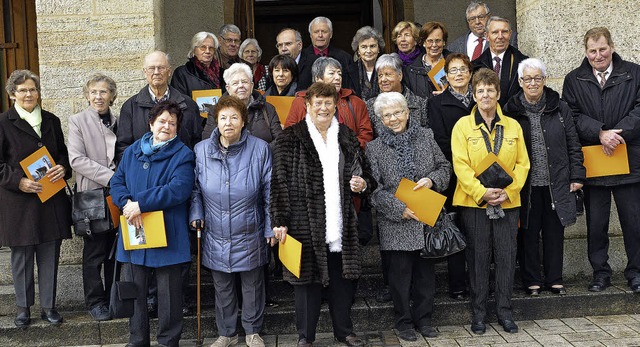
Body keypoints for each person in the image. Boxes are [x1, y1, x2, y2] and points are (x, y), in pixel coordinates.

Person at [270, 82, 375, 347]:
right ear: (307, 106)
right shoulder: (289, 137)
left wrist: (362, 184)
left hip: (341, 223)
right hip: (303, 223)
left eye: (329, 103)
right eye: (318, 102)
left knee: (342, 282)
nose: (323, 108)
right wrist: (279, 220)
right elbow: (279, 182)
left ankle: (344, 331)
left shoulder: (347, 136)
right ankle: (306, 337)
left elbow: (365, 174)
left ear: (336, 106)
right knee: (306, 284)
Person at [365, 92, 450, 341]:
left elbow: (445, 167)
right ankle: (403, 323)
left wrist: (432, 180)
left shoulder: (426, 136)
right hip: (396, 220)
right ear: (380, 119)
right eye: (387, 115)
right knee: (400, 277)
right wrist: (397, 209)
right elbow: (374, 188)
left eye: (397, 112)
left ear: (408, 112)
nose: (393, 119)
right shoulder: (374, 148)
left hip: (425, 215)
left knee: (425, 274)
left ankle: (424, 319)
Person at [190, 95, 274, 347]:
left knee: (252, 284)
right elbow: (194, 189)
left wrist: (270, 225)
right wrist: (196, 213)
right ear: (216, 120)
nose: (228, 123)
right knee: (222, 286)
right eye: (223, 117)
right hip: (215, 228)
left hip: (250, 226)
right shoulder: (201, 150)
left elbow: (270, 191)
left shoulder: (260, 149)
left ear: (243, 121)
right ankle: (227, 333)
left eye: (234, 117)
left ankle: (252, 331)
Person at [450, 68, 529, 335]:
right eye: (480, 90)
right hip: (475, 204)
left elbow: (523, 164)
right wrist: (481, 192)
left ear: (498, 94)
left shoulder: (513, 126)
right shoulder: (462, 126)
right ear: (474, 95)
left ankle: (505, 312)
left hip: (507, 201)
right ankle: (479, 314)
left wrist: (510, 191)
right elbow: (460, 165)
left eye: (490, 90)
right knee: (478, 258)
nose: (485, 95)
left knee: (507, 257)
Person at [110, 100, 195, 347]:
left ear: (177, 128)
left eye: (172, 123)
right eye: (162, 121)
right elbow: (117, 182)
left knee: (169, 296)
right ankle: (137, 340)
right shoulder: (133, 150)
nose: (166, 126)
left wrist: (141, 204)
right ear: (151, 123)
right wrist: (126, 204)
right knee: (135, 291)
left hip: (168, 232)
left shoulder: (183, 154)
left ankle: (168, 341)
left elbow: (178, 189)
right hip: (134, 230)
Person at [562, 27, 640, 294]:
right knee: (596, 224)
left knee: (634, 222)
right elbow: (570, 114)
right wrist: (599, 132)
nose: (598, 55)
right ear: (586, 52)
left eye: (603, 49)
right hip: (595, 164)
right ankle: (600, 273)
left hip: (629, 161)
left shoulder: (635, 73)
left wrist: (617, 134)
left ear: (612, 47)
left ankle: (636, 273)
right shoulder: (574, 80)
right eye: (593, 51)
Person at [503, 58, 586, 296]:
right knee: (528, 233)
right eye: (527, 78)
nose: (532, 83)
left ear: (545, 80)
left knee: (554, 231)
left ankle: (555, 279)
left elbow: (573, 143)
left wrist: (577, 175)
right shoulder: (511, 111)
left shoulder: (560, 107)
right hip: (525, 183)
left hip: (556, 181)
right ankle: (532, 281)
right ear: (520, 81)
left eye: (537, 78)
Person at [0, 69, 72, 327]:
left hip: (50, 199)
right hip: (19, 203)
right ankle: (23, 308)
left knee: (49, 253)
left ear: (38, 93)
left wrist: (63, 168)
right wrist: (18, 181)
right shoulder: (3, 123)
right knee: (21, 257)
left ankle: (49, 307)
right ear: (12, 95)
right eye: (22, 90)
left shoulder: (52, 120)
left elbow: (63, 155)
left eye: (32, 89)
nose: (28, 94)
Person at [67, 73, 119, 322]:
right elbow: (76, 160)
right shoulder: (77, 121)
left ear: (112, 95)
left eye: (104, 92)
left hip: (117, 196)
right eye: (94, 92)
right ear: (87, 95)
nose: (99, 97)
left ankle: (112, 299)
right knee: (94, 254)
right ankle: (95, 301)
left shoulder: (118, 120)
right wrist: (112, 176)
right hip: (93, 195)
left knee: (114, 251)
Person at [428, 52, 475, 300]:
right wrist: (465, 162)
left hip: (481, 175)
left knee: (479, 231)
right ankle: (457, 285)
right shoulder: (436, 103)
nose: (458, 74)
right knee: (456, 229)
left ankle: (478, 283)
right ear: (446, 76)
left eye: (463, 69)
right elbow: (439, 139)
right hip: (454, 176)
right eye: (453, 70)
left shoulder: (481, 99)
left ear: (470, 73)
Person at [117, 50, 202, 161]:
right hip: (143, 171)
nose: (156, 72)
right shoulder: (130, 107)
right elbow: (123, 147)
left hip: (178, 171)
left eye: (161, 68)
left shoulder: (188, 105)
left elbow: (196, 144)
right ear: (145, 72)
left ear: (169, 71)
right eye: (152, 68)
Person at [285, 57, 373, 149]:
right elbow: (289, 133)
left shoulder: (355, 102)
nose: (338, 77)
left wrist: (349, 149)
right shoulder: (301, 101)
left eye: (339, 74)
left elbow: (366, 135)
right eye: (332, 73)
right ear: (318, 78)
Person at [202, 63, 282, 142]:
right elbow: (208, 143)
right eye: (235, 83)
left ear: (251, 86)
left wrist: (262, 152)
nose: (241, 86)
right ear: (228, 88)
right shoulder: (216, 111)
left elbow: (279, 141)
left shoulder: (267, 109)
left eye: (244, 82)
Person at [365, 53, 428, 136]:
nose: (383, 79)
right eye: (380, 76)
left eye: (388, 74)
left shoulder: (420, 103)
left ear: (400, 75)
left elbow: (426, 135)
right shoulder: (370, 106)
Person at [471, 16, 527, 107]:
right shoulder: (476, 65)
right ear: (487, 36)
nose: (500, 36)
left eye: (504, 32)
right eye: (495, 32)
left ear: (510, 34)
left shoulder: (523, 63)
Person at [298, 17, 354, 91]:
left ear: (331, 34)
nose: (320, 35)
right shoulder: (300, 57)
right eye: (316, 32)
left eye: (324, 31)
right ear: (311, 35)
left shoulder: (345, 57)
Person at [447, 1, 518, 59]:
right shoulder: (454, 47)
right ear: (468, 22)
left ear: (489, 16)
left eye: (481, 17)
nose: (477, 22)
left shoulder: (509, 38)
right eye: (472, 19)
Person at [404, 21, 451, 99]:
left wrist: (449, 96)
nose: (434, 45)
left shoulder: (455, 63)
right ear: (423, 43)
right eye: (430, 41)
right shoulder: (411, 70)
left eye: (438, 40)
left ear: (444, 42)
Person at [170, 31, 222, 99]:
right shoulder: (182, 73)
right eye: (203, 47)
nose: (207, 51)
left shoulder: (222, 73)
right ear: (194, 50)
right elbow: (178, 100)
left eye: (211, 48)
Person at [347, 26, 385, 100]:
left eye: (372, 46)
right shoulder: (349, 71)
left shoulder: (386, 68)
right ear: (358, 50)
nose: (368, 51)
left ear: (379, 49)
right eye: (364, 47)